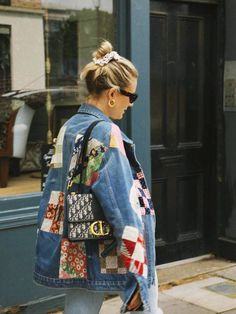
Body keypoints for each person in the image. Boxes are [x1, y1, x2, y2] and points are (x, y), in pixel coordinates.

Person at [33, 40, 163, 314]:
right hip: (103, 239)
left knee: (80, 303)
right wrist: (135, 252)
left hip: (74, 239)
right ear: (113, 94)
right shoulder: (107, 133)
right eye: (132, 96)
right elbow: (119, 202)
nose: (131, 104)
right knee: (145, 300)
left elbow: (54, 188)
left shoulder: (69, 126)